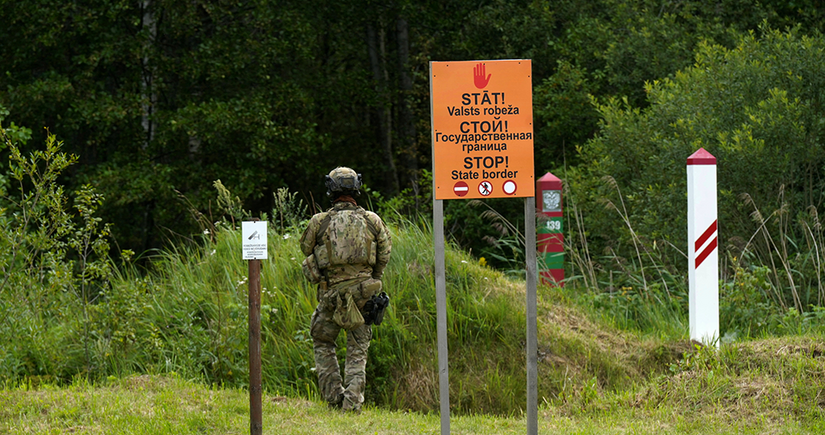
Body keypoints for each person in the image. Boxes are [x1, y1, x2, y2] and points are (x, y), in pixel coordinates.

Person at [300, 166, 392, 413]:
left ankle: (333, 397)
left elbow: (305, 249)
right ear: (356, 188)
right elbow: (384, 255)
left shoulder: (319, 222)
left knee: (322, 339)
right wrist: (373, 278)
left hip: (331, 295)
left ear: (331, 189)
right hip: (364, 294)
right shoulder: (372, 220)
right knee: (358, 349)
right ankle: (351, 404)